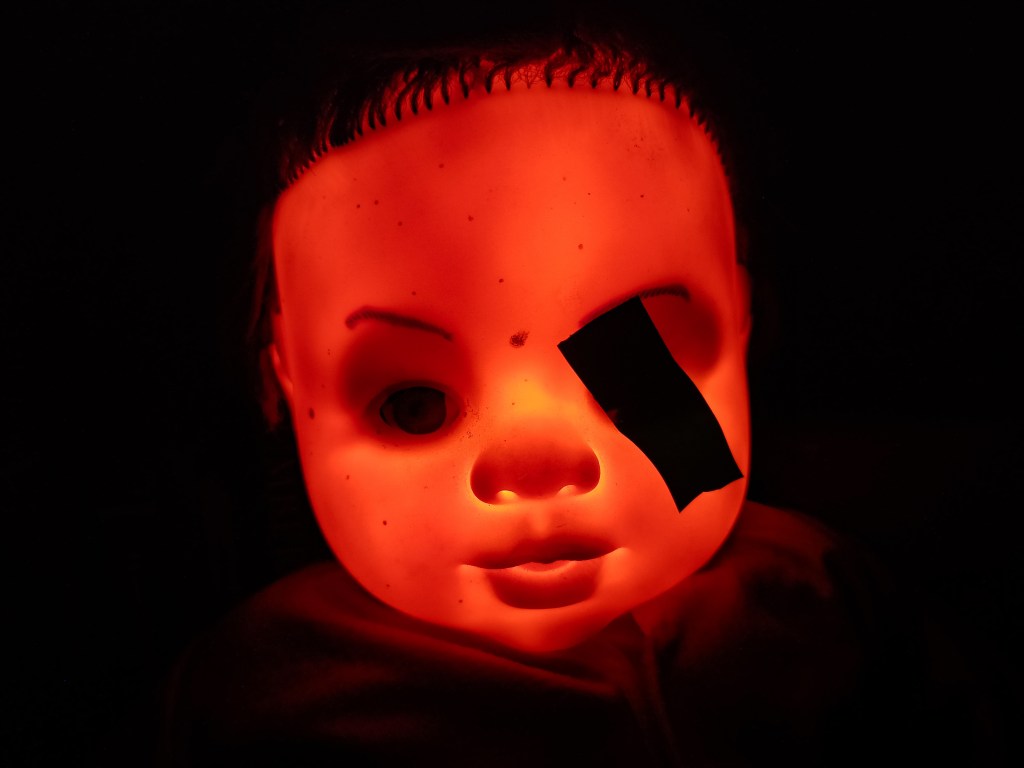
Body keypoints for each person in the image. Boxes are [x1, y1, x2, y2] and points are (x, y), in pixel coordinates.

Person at [158, 9, 987, 766]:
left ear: (741, 320)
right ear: (284, 381)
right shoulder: (263, 690)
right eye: (415, 406)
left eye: (633, 366)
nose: (538, 467)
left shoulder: (817, 596)